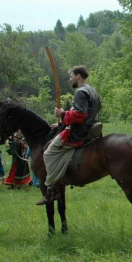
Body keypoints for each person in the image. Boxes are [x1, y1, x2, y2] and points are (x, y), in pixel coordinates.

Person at [37, 66, 101, 205]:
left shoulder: (80, 92)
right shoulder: (93, 90)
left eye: (71, 76)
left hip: (77, 133)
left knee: (48, 153)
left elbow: (79, 115)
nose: (70, 79)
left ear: (79, 76)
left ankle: (52, 188)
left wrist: (62, 114)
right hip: (89, 129)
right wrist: (62, 122)